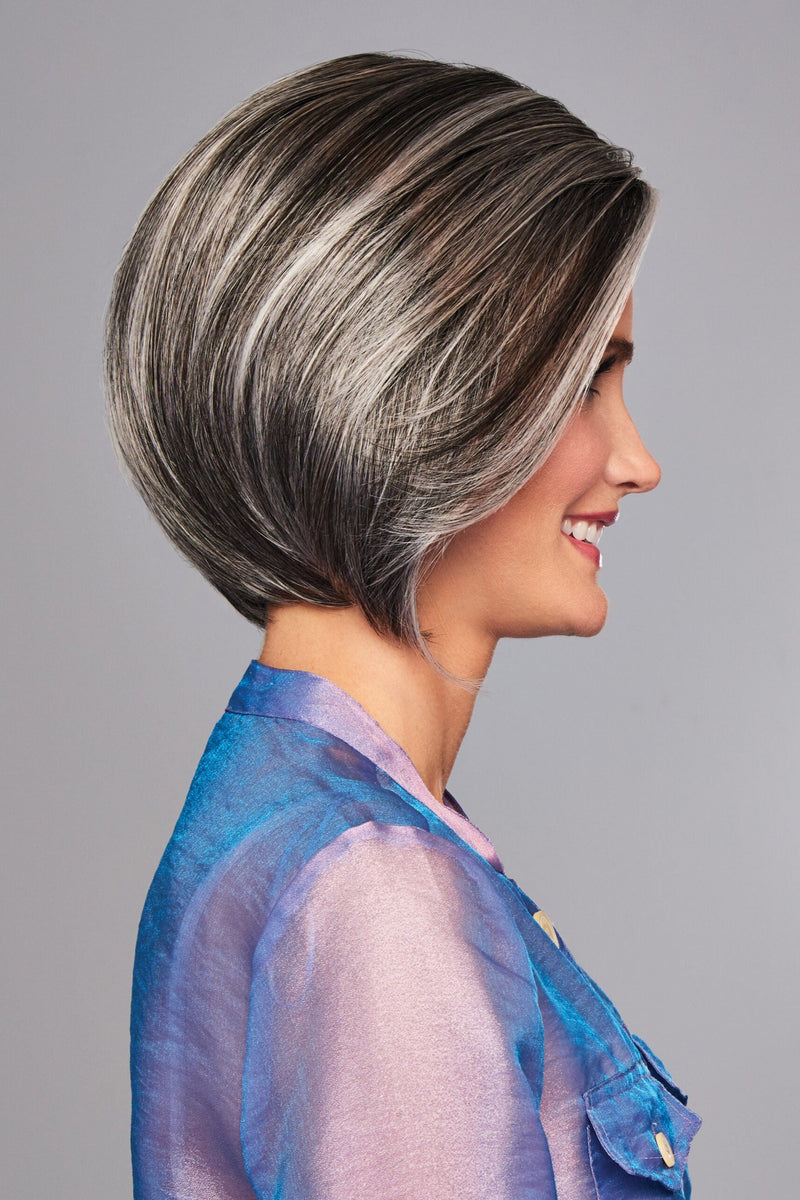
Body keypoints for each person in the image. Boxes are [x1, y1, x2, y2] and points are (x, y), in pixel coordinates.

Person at [104, 51, 702, 1199]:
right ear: (414, 399)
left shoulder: (285, 802)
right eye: (587, 381)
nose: (636, 461)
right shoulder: (378, 889)